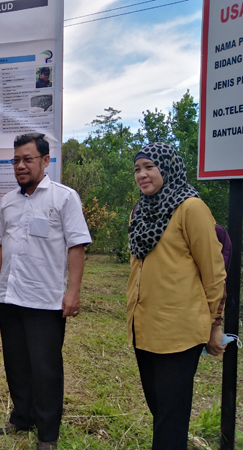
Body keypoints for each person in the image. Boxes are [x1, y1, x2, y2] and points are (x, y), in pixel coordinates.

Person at [0, 133, 91, 450]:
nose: (20, 165)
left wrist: (72, 293)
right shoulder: (8, 201)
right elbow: (1, 244)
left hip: (45, 300)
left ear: (45, 161)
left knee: (45, 368)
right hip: (10, 295)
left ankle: (47, 433)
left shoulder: (63, 198)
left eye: (27, 159)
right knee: (16, 363)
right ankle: (21, 417)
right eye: (16, 159)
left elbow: (76, 246)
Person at [127, 142, 226, 450]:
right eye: (137, 169)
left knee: (171, 416)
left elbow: (214, 270)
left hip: (179, 330)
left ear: (167, 168)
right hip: (143, 327)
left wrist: (215, 324)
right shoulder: (140, 212)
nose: (142, 175)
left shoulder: (191, 208)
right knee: (161, 409)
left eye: (149, 167)